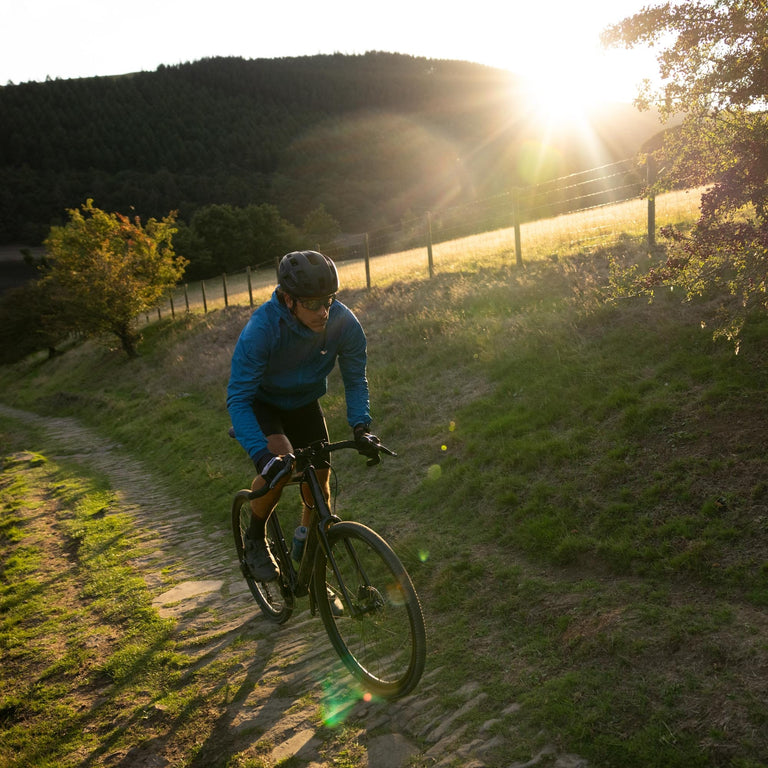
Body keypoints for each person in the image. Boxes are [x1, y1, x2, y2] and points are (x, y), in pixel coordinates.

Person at [227, 250, 379, 582]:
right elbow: (238, 398)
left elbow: (355, 379)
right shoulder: (262, 329)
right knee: (280, 467)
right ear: (287, 299)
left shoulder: (343, 322)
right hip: (261, 403)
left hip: (304, 402)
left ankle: (306, 554)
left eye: (328, 300)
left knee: (320, 488)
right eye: (311, 303)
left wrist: (360, 426)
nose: (323, 311)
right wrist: (261, 455)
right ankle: (254, 538)